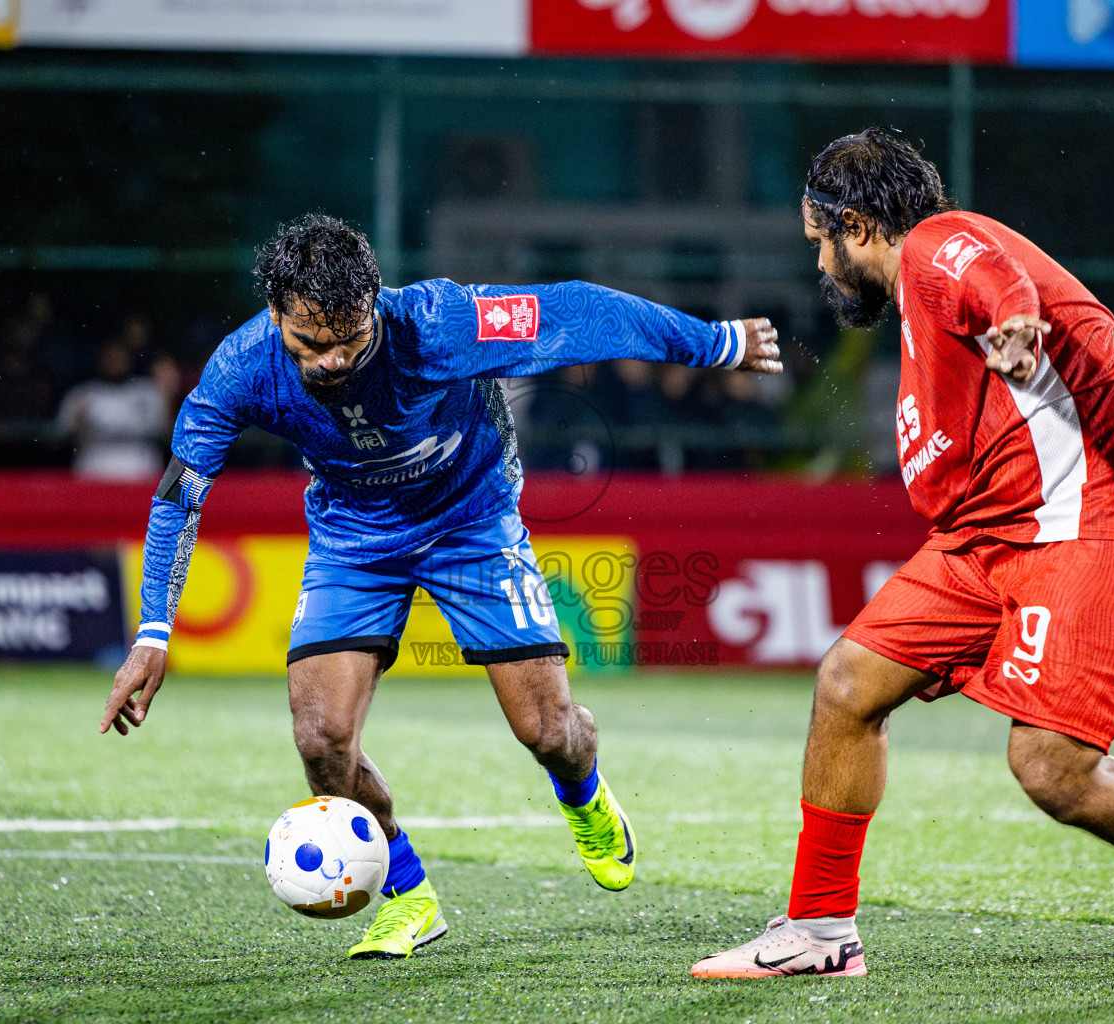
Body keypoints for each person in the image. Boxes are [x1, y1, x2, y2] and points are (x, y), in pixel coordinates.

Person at [691, 129, 1114, 986]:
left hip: (1095, 517)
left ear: (859, 225)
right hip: (993, 535)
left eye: (823, 240)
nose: (821, 262)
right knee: (849, 685)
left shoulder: (938, 246)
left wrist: (1015, 330)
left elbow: (997, 286)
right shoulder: (919, 299)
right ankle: (820, 929)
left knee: (1050, 767)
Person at [99, 213, 782, 960]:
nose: (328, 362)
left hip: (473, 523)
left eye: (347, 342)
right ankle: (408, 898)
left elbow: (580, 311)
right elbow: (180, 492)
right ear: (276, 316)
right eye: (308, 346)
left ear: (374, 304)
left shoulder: (439, 322)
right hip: (354, 540)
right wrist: (154, 630)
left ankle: (583, 792)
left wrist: (713, 344)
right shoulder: (241, 367)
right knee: (321, 740)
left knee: (548, 733)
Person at [56, 338, 172, 480]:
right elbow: (62, 436)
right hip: (93, 476)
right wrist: (77, 424)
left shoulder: (148, 391)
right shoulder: (81, 394)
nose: (115, 360)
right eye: (110, 355)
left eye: (120, 354)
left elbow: (166, 431)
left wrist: (169, 394)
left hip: (142, 477)